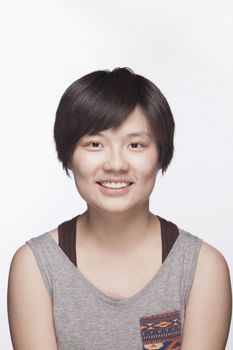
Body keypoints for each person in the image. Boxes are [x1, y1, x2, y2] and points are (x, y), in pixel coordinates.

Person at [7, 67, 232, 349]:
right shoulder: (36, 265)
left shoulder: (202, 267)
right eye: (95, 144)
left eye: (135, 144)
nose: (116, 164)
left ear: (161, 154)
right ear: (68, 154)